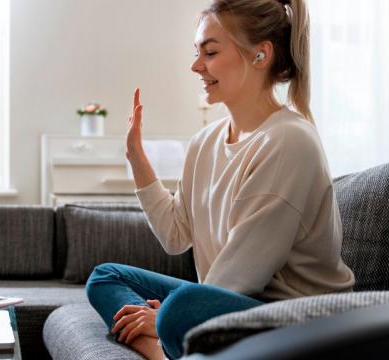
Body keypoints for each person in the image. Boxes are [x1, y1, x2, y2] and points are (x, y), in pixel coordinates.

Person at [85, 0, 356, 359]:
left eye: (210, 52)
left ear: (260, 55)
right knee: (106, 277)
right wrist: (137, 159)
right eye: (197, 52)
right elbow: (175, 236)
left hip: (296, 318)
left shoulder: (289, 142)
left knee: (182, 308)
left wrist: (165, 315)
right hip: (231, 301)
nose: (196, 66)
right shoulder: (204, 142)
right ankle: (163, 351)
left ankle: (168, 344)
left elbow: (240, 278)